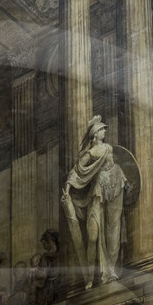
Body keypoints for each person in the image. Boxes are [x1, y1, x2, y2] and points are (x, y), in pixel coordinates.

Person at [60, 115, 128, 288]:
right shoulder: (90, 153)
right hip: (98, 191)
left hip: (114, 185)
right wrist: (67, 189)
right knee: (94, 235)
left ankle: (111, 270)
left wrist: (124, 179)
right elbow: (76, 172)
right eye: (102, 129)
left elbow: (114, 166)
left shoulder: (108, 148)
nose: (105, 131)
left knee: (114, 227)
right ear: (96, 134)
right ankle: (91, 276)